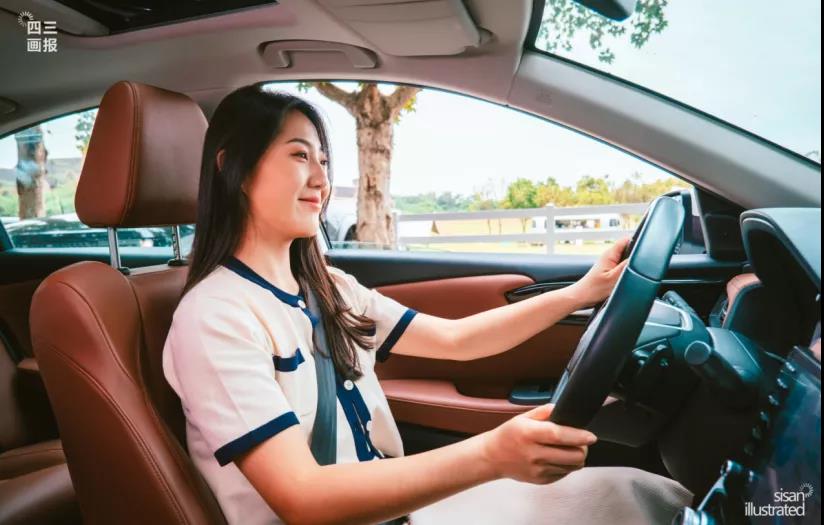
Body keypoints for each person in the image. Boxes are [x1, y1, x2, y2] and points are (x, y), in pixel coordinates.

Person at [162, 85, 692, 525]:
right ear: (233, 169)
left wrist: (582, 293)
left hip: (398, 514)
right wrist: (491, 456)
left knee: (641, 494)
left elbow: (457, 339)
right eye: (300, 155)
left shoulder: (330, 287)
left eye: (323, 159)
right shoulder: (214, 317)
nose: (322, 180)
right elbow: (303, 498)